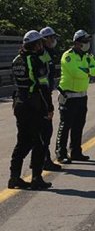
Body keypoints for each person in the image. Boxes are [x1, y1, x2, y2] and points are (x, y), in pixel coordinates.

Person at [8, 30, 53, 190]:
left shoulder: (16, 60)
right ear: (35, 45)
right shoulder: (36, 61)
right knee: (39, 142)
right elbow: (43, 86)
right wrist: (49, 107)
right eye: (40, 42)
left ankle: (14, 177)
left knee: (22, 141)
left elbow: (15, 81)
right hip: (34, 105)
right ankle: (36, 178)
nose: (42, 45)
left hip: (19, 103)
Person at [56, 30, 95, 164]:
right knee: (65, 125)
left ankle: (76, 151)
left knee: (78, 125)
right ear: (77, 43)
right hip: (68, 96)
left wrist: (87, 71)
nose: (87, 44)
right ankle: (61, 153)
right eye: (84, 41)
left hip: (82, 96)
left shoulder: (87, 57)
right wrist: (88, 72)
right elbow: (75, 73)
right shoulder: (68, 56)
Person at [38, 27, 63, 171]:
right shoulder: (41, 55)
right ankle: (43, 160)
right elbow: (43, 80)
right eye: (51, 38)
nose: (54, 41)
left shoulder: (48, 54)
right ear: (44, 39)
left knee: (45, 130)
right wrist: (48, 104)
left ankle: (42, 159)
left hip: (45, 94)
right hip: (41, 96)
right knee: (44, 130)